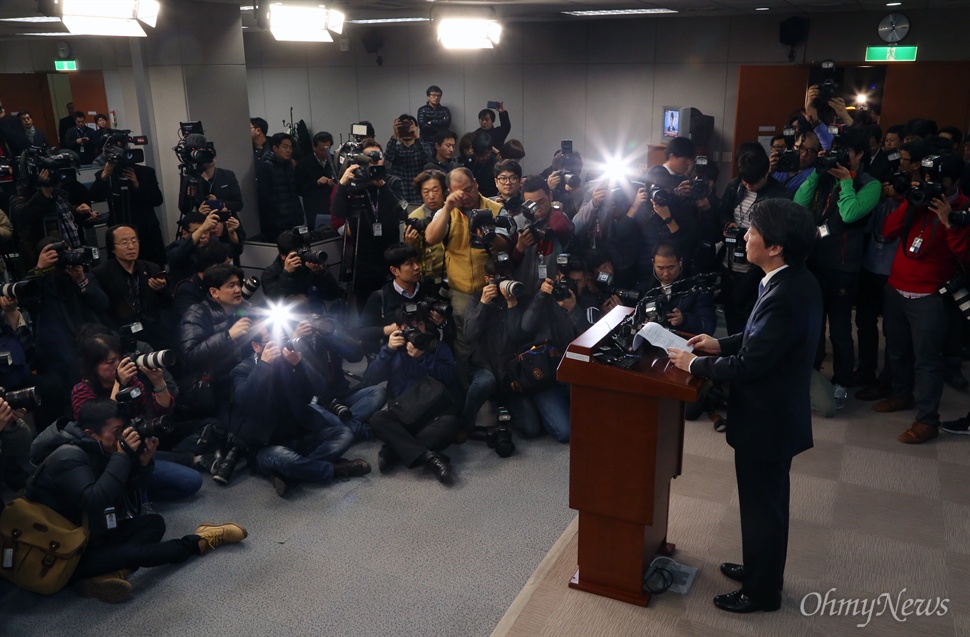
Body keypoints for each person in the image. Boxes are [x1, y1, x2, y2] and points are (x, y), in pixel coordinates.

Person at [668, 198, 821, 614]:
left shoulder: (785, 293)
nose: (745, 237)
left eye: (753, 231)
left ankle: (762, 591)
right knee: (762, 504)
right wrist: (720, 343)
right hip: (772, 414)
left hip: (768, 421)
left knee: (763, 508)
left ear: (775, 246)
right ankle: (760, 569)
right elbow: (758, 339)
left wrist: (695, 362)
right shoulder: (787, 278)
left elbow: (751, 364)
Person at [26, 399, 246, 604]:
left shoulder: (102, 447)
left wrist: (142, 464)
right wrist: (121, 458)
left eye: (124, 429)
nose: (123, 436)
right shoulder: (68, 457)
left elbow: (128, 498)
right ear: (90, 433)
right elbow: (94, 501)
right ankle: (201, 541)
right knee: (137, 553)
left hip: (89, 533)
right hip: (62, 552)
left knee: (154, 523)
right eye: (116, 432)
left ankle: (109, 574)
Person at [230, 326, 371, 497]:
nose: (278, 347)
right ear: (256, 346)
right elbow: (245, 400)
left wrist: (300, 365)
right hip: (269, 445)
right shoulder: (242, 370)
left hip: (302, 436)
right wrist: (264, 365)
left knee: (345, 434)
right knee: (281, 457)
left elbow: (320, 389)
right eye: (270, 343)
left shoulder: (289, 361)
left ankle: (290, 473)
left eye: (281, 341)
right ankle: (334, 470)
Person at [68, 329, 204, 501]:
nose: (117, 365)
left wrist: (158, 381)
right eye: (110, 362)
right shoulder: (81, 392)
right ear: (93, 366)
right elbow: (104, 420)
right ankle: (135, 491)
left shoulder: (131, 381)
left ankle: (139, 489)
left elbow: (161, 410)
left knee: (192, 482)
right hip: (109, 460)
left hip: (137, 450)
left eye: (119, 359)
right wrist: (119, 382)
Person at [363, 307, 461, 483]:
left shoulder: (436, 347)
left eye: (420, 324)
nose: (416, 329)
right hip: (404, 410)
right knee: (377, 419)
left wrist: (424, 358)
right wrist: (388, 350)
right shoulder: (392, 350)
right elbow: (370, 378)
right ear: (399, 329)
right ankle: (430, 458)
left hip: (434, 411)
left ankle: (394, 450)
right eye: (410, 326)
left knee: (450, 424)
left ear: (426, 326)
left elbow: (451, 377)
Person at [331, 139, 407, 310]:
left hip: (390, 255)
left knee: (393, 310)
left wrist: (382, 185)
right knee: (366, 312)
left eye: (377, 156)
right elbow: (338, 212)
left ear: (383, 158)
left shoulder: (392, 181)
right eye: (368, 157)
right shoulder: (355, 184)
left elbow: (402, 212)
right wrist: (342, 185)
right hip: (363, 259)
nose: (373, 161)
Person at [91, 225, 174, 350]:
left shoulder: (152, 268)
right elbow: (102, 311)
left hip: (153, 332)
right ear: (112, 247)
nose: (131, 247)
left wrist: (162, 290)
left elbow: (166, 304)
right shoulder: (101, 274)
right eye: (124, 243)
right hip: (121, 334)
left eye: (134, 241)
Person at [89, 134, 167, 266]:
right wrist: (105, 176)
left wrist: (137, 184)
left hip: (145, 230)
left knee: (152, 267)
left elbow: (157, 200)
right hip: (117, 228)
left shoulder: (146, 173)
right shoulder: (106, 175)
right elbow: (96, 196)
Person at [256, 133, 304, 242]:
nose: (288, 150)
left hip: (294, 219)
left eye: (290, 147)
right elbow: (263, 196)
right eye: (285, 146)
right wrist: (276, 214)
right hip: (276, 223)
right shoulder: (266, 166)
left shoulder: (289, 166)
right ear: (275, 148)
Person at [295, 131, 337, 227]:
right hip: (314, 207)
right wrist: (316, 183)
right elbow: (299, 189)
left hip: (333, 206)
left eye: (327, 149)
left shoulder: (335, 161)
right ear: (314, 147)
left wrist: (334, 184)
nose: (324, 153)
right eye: (321, 150)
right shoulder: (303, 164)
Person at [386, 114, 430, 206]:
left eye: (409, 127)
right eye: (403, 128)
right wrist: (395, 135)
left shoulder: (421, 147)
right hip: (401, 195)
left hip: (418, 195)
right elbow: (388, 157)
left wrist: (417, 136)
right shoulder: (396, 148)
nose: (406, 130)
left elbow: (428, 158)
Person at [417, 85, 452, 150]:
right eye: (433, 95)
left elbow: (447, 124)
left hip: (441, 142)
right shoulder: (422, 110)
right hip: (426, 141)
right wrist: (439, 129)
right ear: (428, 96)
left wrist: (432, 122)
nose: (436, 97)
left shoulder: (445, 110)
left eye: (439, 95)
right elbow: (422, 126)